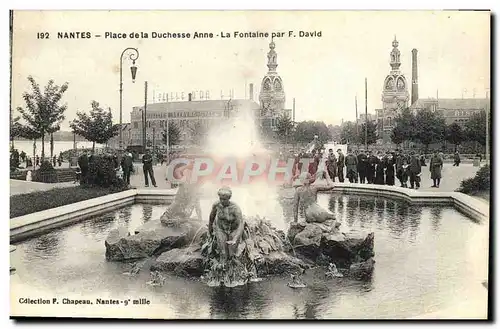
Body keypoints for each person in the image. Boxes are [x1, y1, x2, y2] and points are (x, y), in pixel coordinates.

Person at [208, 187, 245, 262]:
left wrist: (235, 239)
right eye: (220, 198)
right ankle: (222, 269)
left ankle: (234, 271)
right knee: (223, 253)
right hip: (221, 229)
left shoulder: (235, 208)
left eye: (224, 199)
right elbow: (211, 218)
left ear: (229, 198)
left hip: (233, 230)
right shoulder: (216, 205)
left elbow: (241, 225)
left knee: (232, 254)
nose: (222, 201)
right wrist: (210, 230)